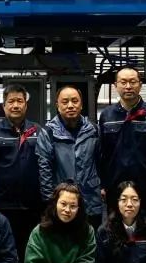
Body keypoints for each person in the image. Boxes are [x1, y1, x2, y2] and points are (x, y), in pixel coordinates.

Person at [0, 83, 43, 263]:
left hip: (32, 207)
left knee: (30, 257)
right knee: (2, 256)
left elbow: (46, 166)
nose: (15, 105)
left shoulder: (38, 131)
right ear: (4, 105)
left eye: (19, 101)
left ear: (26, 104)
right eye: (11, 101)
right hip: (2, 207)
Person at [98, 67, 146, 218]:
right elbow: (102, 154)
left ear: (140, 85)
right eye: (123, 82)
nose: (128, 86)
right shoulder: (107, 116)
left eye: (132, 82)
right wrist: (103, 185)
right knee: (116, 230)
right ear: (115, 86)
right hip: (116, 190)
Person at [36, 86, 103, 226]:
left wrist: (102, 188)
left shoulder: (93, 130)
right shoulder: (48, 133)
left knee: (91, 237)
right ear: (57, 105)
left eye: (75, 101)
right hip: (62, 203)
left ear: (81, 104)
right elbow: (44, 171)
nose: (70, 105)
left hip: (90, 201)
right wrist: (51, 203)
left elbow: (101, 163)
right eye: (65, 102)